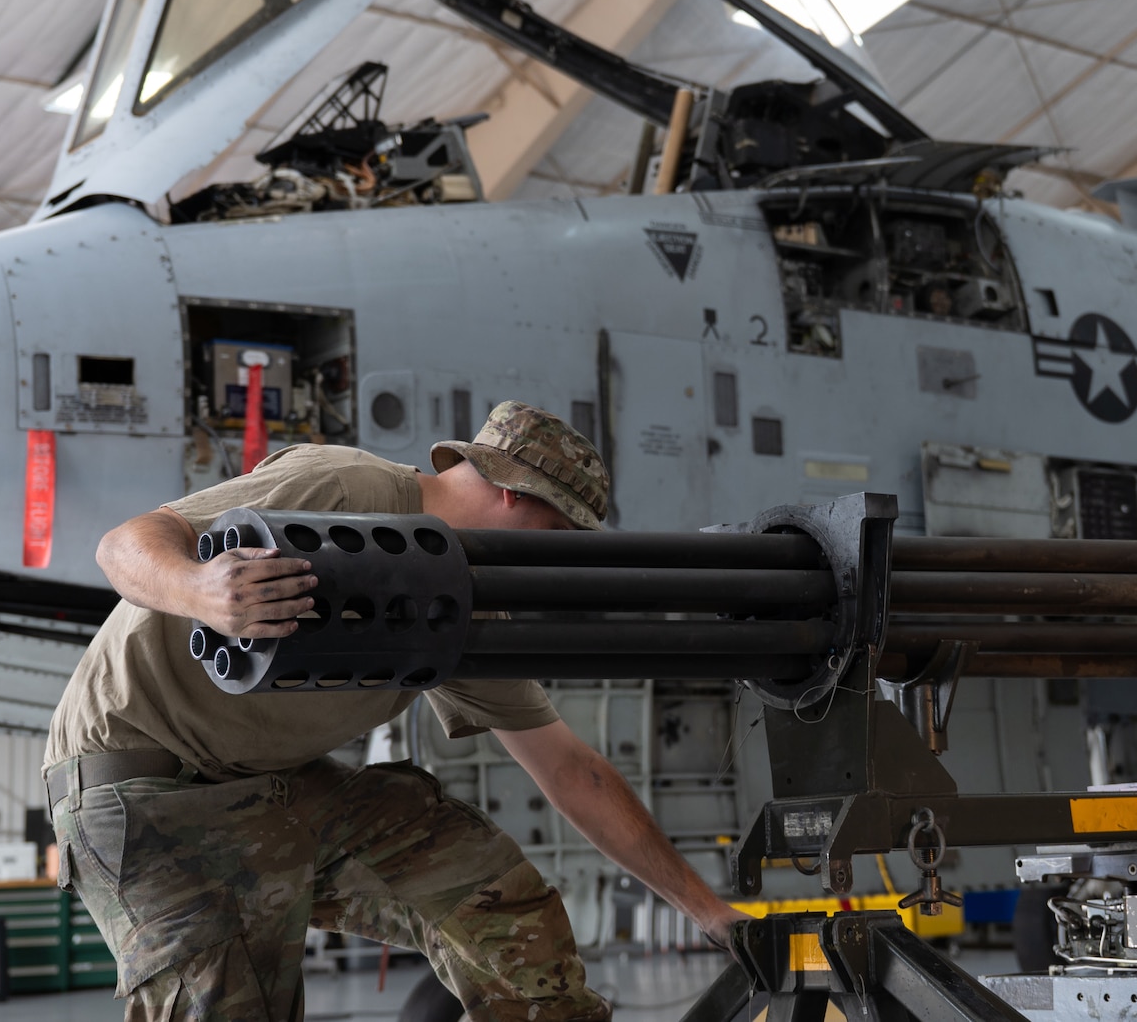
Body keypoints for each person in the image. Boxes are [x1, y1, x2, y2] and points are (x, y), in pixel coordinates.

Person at [45, 401, 746, 1022]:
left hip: (267, 788)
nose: (555, 556)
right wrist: (201, 589)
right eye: (557, 529)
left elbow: (571, 771)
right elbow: (123, 545)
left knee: (496, 901)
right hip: (142, 792)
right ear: (512, 490)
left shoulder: (466, 607)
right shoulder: (344, 488)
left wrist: (710, 913)